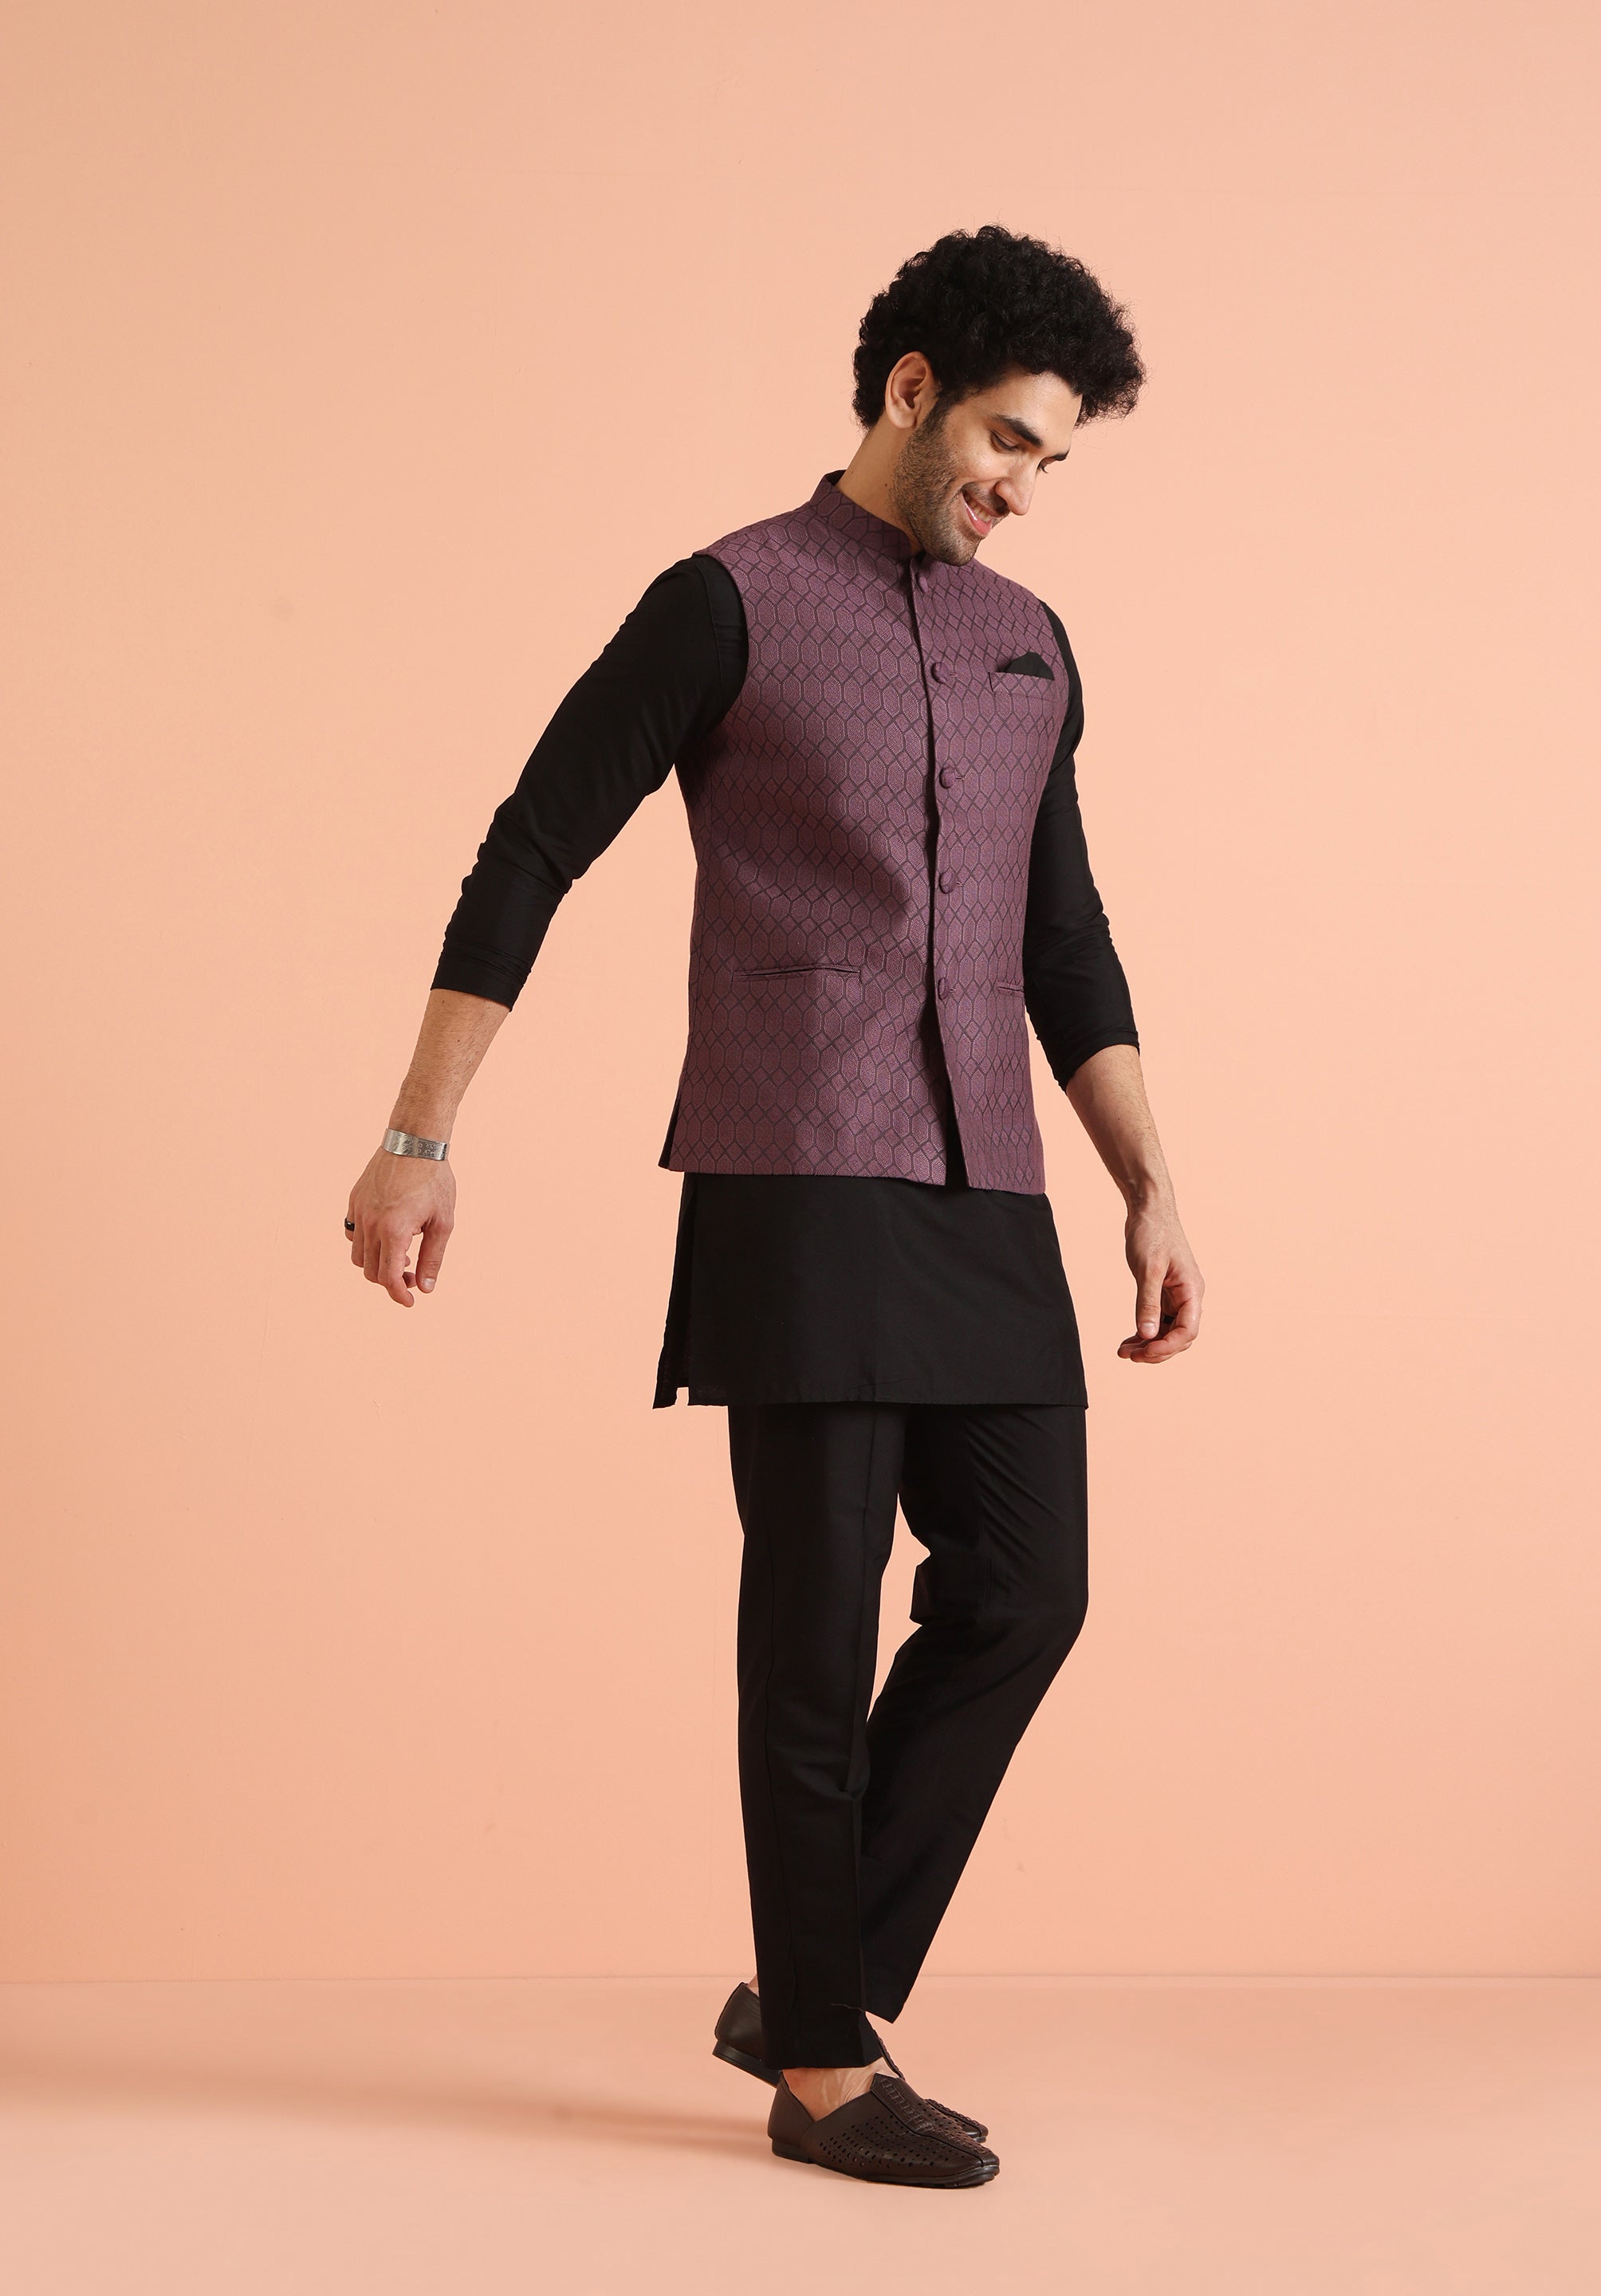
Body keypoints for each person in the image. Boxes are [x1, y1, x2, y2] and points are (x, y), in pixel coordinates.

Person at [345, 224, 1203, 2189]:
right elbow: (531, 846)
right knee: (812, 1622)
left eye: (1054, 459)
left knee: (1027, 1592)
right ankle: (821, 2062)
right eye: (1008, 438)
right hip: (797, 1162)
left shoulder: (1033, 646)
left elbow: (1064, 938)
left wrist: (1151, 1181)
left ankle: (813, 1979)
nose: (1024, 485)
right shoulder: (723, 600)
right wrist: (420, 1136)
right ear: (910, 390)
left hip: (988, 1177)